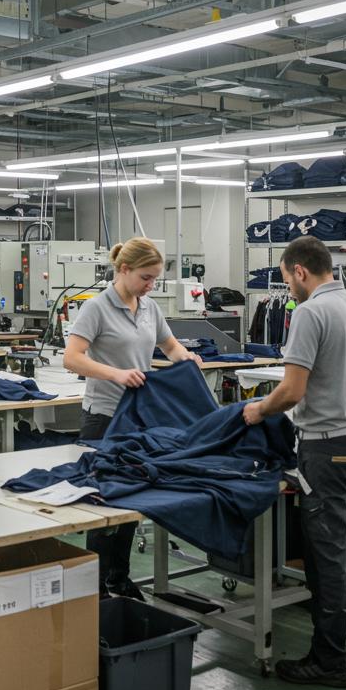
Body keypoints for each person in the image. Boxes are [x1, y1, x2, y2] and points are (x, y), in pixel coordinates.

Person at [241, 237, 346, 689]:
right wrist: (345, 387)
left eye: (287, 279)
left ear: (300, 271)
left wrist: (259, 410)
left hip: (326, 448)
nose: (288, 288)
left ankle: (329, 661)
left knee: (325, 556)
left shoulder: (309, 313)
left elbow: (292, 391)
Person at [60, 237, 202, 598]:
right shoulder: (96, 308)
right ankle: (94, 586)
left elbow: (169, 345)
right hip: (104, 417)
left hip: (138, 419)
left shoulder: (149, 308)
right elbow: (72, 358)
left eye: (155, 278)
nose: (151, 284)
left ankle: (118, 577)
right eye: (146, 277)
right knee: (101, 502)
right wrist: (117, 374)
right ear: (124, 270)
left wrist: (187, 359)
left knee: (132, 499)